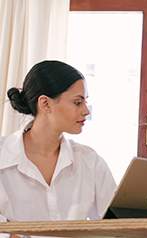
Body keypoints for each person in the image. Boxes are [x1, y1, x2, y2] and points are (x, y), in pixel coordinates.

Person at [0, 61, 117, 228]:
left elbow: (117, 224)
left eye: (85, 102)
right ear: (45, 104)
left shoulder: (90, 161)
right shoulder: (2, 157)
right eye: (78, 102)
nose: (86, 111)